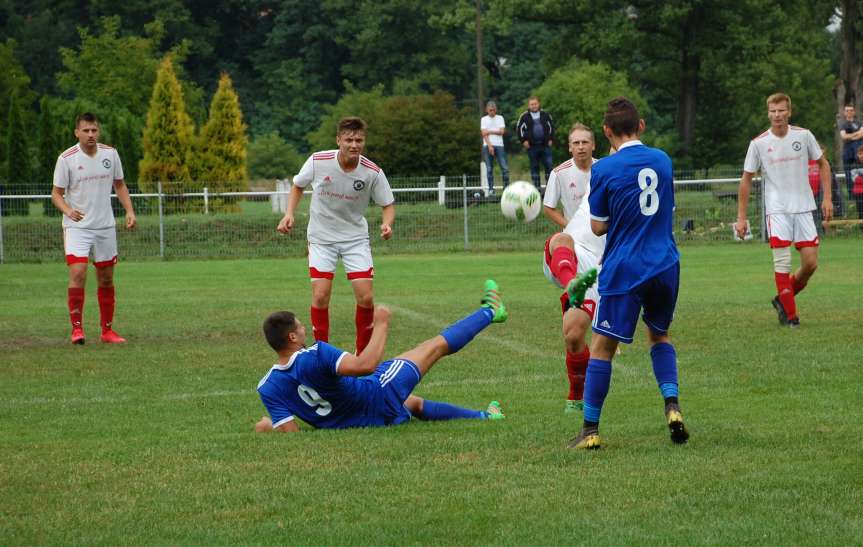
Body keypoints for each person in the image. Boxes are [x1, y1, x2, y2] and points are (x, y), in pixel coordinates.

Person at [569, 97, 688, 450]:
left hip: (626, 267)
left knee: (602, 348)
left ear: (606, 131)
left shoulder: (603, 169)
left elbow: (598, 225)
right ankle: (672, 406)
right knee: (660, 336)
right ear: (642, 126)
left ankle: (589, 430)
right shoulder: (663, 161)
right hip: (665, 263)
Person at [254, 280, 508, 432]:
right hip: (377, 393)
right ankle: (491, 311)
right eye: (299, 327)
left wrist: (268, 426)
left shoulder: (268, 386)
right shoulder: (316, 354)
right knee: (434, 346)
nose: (304, 329)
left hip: (364, 419)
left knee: (414, 403)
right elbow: (366, 365)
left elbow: (290, 431)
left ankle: (486, 417)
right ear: (292, 338)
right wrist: (382, 324)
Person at [277, 117, 395, 354]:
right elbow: (298, 185)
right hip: (321, 238)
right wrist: (289, 214)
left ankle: (362, 356)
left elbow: (388, 204)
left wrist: (387, 224)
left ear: (364, 141)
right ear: (339, 139)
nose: (354, 145)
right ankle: (322, 353)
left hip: (355, 239)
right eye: (349, 139)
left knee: (366, 298)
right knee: (320, 296)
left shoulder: (372, 172)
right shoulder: (318, 161)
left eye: (359, 140)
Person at [735, 93, 833, 328]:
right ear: (768, 113)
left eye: (781, 110)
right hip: (777, 210)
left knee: (810, 265)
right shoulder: (758, 143)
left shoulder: (804, 135)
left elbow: (823, 164)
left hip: (803, 207)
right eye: (773, 111)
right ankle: (792, 317)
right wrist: (741, 217)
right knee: (782, 261)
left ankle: (782, 298)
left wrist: (827, 198)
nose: (777, 115)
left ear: (789, 112)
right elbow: (746, 179)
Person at [51, 112, 137, 345]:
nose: (90, 134)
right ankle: (77, 330)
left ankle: (107, 331)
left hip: (105, 227)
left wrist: (129, 211)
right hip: (77, 227)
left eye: (94, 130)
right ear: (77, 132)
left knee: (106, 278)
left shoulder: (110, 154)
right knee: (78, 272)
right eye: (86, 130)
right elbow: (56, 194)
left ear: (98, 131)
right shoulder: (66, 158)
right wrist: (68, 210)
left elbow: (119, 185)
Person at [541, 123, 605, 414]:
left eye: (585, 142)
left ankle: (577, 398)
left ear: (594, 145)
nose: (580, 146)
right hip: (571, 253)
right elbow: (548, 207)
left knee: (574, 334)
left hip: (601, 265)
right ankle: (572, 282)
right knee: (560, 239)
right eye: (575, 142)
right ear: (570, 146)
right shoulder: (561, 173)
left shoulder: (606, 172)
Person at [517, 96, 555, 190]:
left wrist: (551, 139)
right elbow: (519, 129)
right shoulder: (524, 116)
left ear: (538, 104)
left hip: (545, 145)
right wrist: (523, 141)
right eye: (531, 104)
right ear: (529, 105)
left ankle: (550, 189)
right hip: (532, 147)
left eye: (535, 104)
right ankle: (536, 189)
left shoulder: (545, 114)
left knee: (549, 166)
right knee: (534, 168)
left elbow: (552, 127)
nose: (534, 106)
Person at [480, 100, 509, 195]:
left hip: (500, 145)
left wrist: (490, 131)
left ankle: (506, 189)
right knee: (489, 168)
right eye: (490, 110)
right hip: (487, 145)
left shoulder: (500, 118)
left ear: (495, 110)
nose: (492, 112)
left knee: (504, 168)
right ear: (486, 110)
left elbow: (502, 131)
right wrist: (490, 146)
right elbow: (484, 134)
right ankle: (491, 189)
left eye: (493, 110)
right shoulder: (483, 119)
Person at [839, 104, 863, 209]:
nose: (849, 112)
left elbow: (862, 134)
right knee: (849, 176)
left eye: (851, 110)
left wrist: (850, 136)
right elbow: (843, 137)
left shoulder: (859, 122)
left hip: (859, 153)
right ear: (844, 113)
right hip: (848, 153)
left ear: (854, 112)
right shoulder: (843, 124)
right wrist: (856, 135)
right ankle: (851, 198)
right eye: (847, 110)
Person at [848, 145, 863, 221]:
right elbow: (855, 179)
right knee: (861, 210)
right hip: (859, 192)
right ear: (857, 154)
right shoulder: (854, 165)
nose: (862, 155)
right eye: (860, 153)